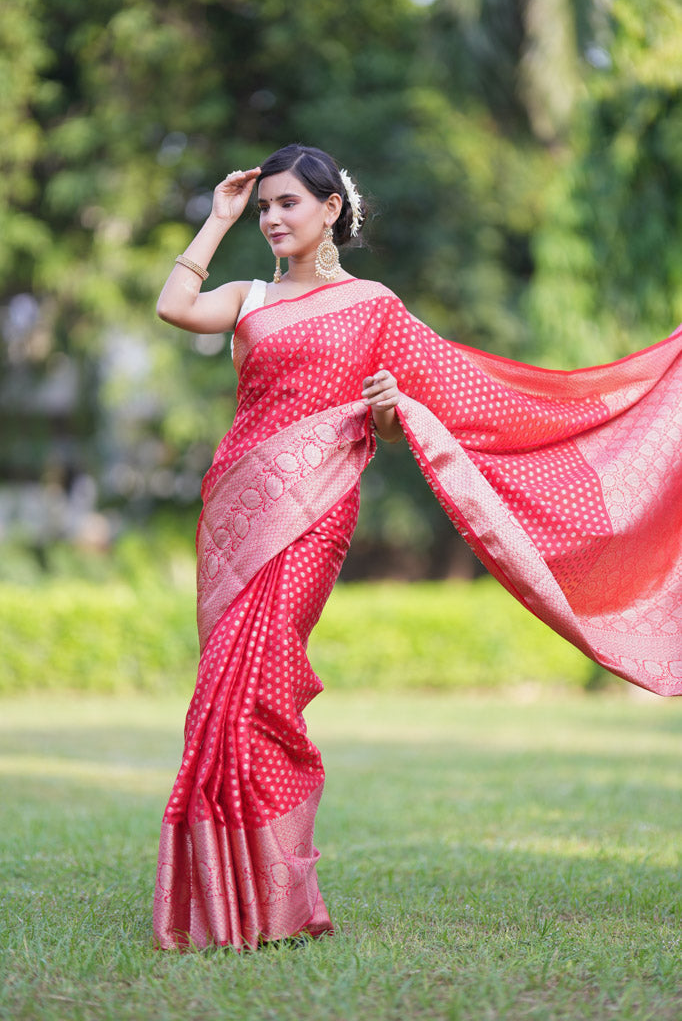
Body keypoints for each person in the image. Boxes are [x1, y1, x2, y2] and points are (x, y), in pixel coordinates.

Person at [153, 143, 682, 951]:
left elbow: (443, 413)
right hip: (237, 513)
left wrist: (392, 406)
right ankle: (230, 902)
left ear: (331, 209)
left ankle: (274, 895)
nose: (272, 219)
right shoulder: (249, 298)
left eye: (287, 203)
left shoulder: (374, 307)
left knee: (261, 685)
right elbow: (172, 306)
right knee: (219, 692)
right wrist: (216, 217)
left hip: (315, 513)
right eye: (265, 207)